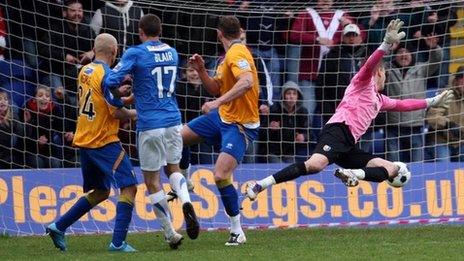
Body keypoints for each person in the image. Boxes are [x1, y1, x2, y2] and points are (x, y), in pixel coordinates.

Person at [245, 19, 454, 200]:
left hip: (349, 144)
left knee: (391, 169)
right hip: (338, 130)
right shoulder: (361, 83)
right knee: (315, 165)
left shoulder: (380, 100)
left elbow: (404, 104)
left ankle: (353, 173)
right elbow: (369, 66)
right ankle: (260, 185)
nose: (383, 75)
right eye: (381, 72)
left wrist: (432, 101)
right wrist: (384, 45)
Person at [104, 14, 200, 247]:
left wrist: (118, 96)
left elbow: (110, 80)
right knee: (174, 169)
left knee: (152, 180)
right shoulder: (173, 52)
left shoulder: (135, 53)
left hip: (150, 124)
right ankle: (186, 199)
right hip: (173, 119)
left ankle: (170, 232)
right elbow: (154, 85)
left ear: (140, 31)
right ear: (161, 29)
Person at [46, 33, 138, 252]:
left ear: (95, 50)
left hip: (85, 140)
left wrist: (123, 97)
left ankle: (58, 226)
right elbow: (116, 112)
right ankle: (118, 243)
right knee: (130, 187)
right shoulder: (107, 75)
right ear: (115, 52)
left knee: (101, 191)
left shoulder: (85, 70)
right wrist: (136, 113)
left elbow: (99, 99)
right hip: (102, 141)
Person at [181, 15, 260, 246]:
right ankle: (185, 182)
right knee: (177, 140)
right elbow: (216, 88)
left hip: (240, 125)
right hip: (222, 117)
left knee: (220, 175)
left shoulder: (238, 53)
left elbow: (246, 82)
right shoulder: (226, 58)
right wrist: (203, 70)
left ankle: (237, 230)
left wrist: (216, 104)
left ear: (219, 34)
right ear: (240, 30)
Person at [426, 66, 464, 162]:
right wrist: (448, 124)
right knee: (444, 164)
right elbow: (432, 117)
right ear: (456, 80)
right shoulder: (445, 94)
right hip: (440, 140)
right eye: (461, 78)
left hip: (461, 142)